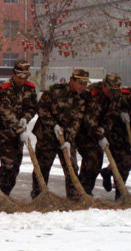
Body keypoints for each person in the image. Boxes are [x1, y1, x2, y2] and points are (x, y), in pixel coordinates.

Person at [31, 67, 89, 200]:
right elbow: (41, 109)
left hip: (66, 137)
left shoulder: (83, 97)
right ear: (71, 81)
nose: (83, 86)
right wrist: (53, 125)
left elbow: (77, 120)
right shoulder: (55, 91)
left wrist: (69, 140)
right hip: (47, 135)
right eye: (80, 83)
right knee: (42, 168)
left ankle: (73, 197)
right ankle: (38, 196)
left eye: (85, 83)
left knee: (72, 168)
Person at [0, 60, 38, 196]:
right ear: (13, 74)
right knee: (8, 165)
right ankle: (0, 193)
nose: (22, 80)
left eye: (25, 77)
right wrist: (19, 129)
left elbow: (32, 108)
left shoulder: (30, 88)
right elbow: (6, 112)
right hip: (4, 132)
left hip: (19, 133)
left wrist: (25, 119)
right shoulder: (3, 89)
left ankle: (5, 193)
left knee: (16, 166)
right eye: (19, 77)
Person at [76, 73, 122, 195]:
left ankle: (87, 190)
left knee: (98, 161)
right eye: (110, 91)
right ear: (104, 86)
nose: (113, 94)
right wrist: (100, 135)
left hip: (100, 131)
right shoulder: (91, 93)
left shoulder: (115, 95)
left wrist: (104, 131)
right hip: (83, 131)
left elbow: (111, 116)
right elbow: (88, 120)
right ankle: (82, 191)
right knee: (92, 158)